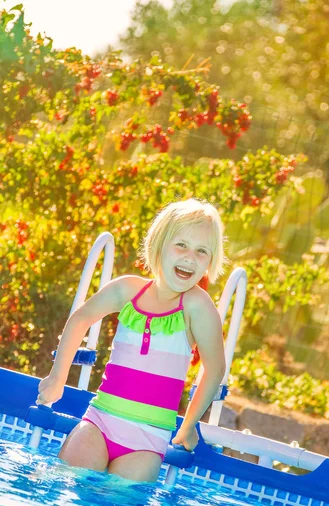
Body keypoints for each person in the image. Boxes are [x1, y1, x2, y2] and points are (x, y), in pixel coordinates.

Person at [37, 198, 227, 482]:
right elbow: (80, 319)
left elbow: (215, 368)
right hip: (99, 421)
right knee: (65, 480)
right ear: (159, 244)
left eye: (202, 251)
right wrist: (57, 378)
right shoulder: (128, 290)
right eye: (181, 245)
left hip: (147, 441)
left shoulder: (197, 306)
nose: (190, 257)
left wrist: (188, 425)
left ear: (210, 263)